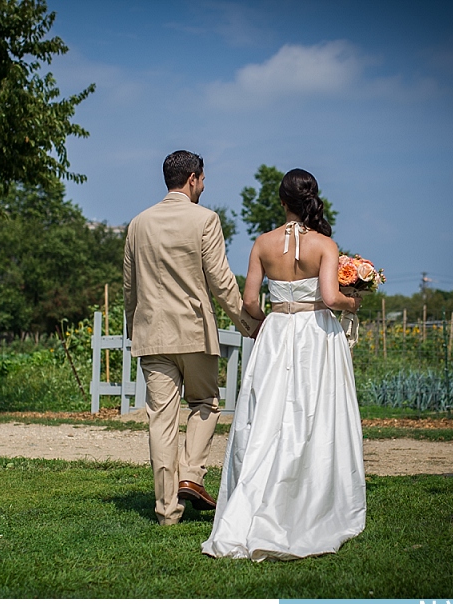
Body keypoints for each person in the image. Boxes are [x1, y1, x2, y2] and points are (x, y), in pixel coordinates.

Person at [201, 168, 366, 560]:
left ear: (281, 202)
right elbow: (329, 297)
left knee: (268, 412)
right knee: (314, 411)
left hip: (276, 333)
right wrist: (352, 302)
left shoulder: (262, 243)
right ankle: (310, 492)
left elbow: (250, 303)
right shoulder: (325, 244)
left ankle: (254, 492)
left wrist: (263, 323)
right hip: (315, 336)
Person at [123, 150, 251, 526]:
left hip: (152, 335)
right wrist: (248, 323)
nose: (205, 185)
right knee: (206, 403)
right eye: (204, 179)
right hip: (194, 332)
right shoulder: (205, 219)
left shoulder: (138, 223)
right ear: (193, 178)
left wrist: (135, 329)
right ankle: (192, 475)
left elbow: (130, 288)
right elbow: (221, 281)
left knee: (160, 421)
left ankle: (166, 511)